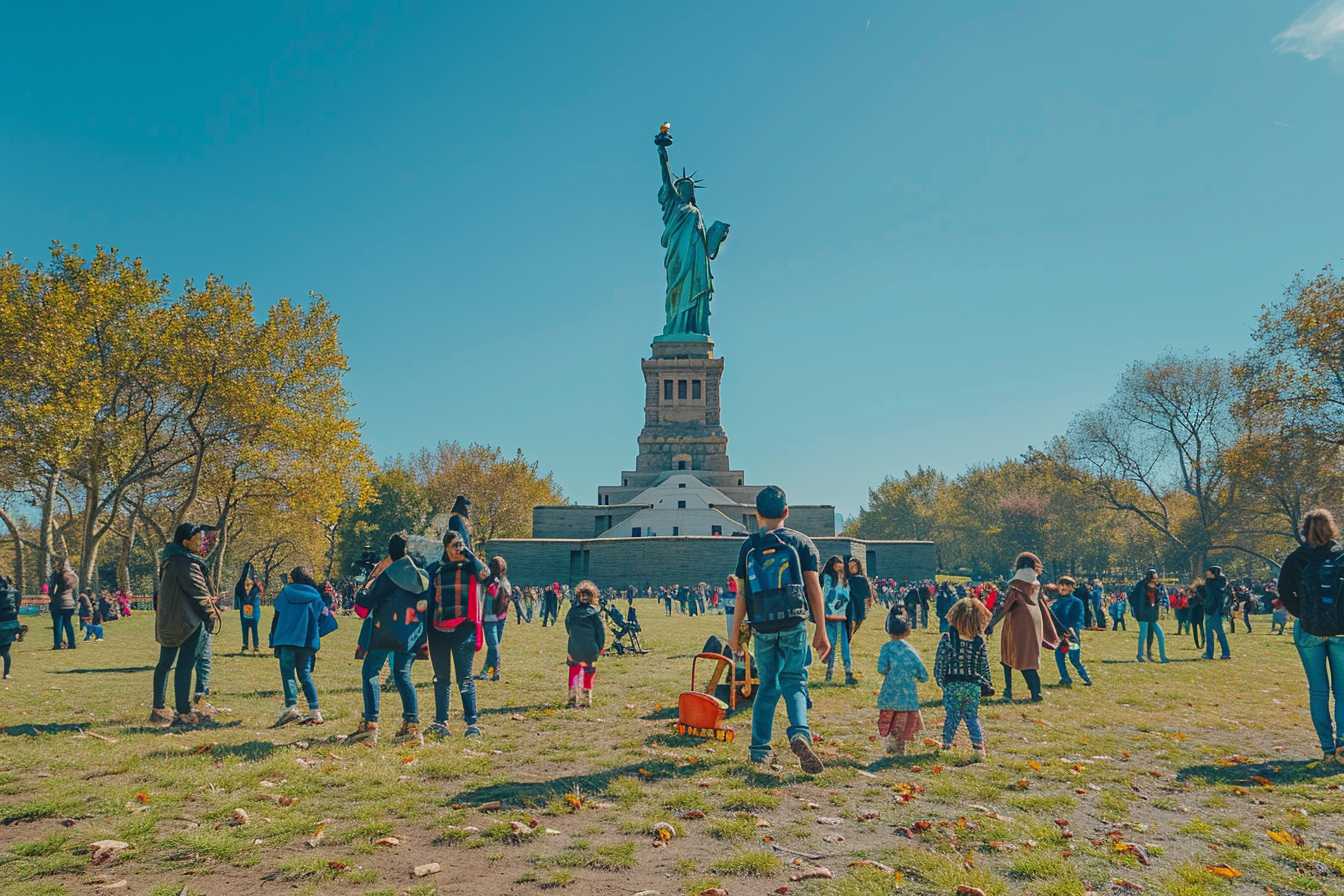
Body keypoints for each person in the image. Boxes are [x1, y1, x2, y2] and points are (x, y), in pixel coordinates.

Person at [727, 486, 830, 773]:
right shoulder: (802, 543)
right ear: (786, 512)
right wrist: (821, 628)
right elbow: (813, 587)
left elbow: (742, 595)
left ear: (756, 513)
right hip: (793, 621)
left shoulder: (749, 546)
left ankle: (760, 750)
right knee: (795, 680)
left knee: (768, 685)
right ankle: (799, 732)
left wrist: (734, 635)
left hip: (763, 625)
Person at [349, 532, 430, 746]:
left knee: (370, 672)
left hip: (385, 630)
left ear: (390, 552)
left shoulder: (388, 575)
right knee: (403, 675)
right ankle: (411, 727)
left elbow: (363, 607)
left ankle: (370, 725)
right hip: (412, 632)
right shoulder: (423, 576)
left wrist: (371, 579)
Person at [1277, 508, 1344, 763]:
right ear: (1331, 528)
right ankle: (1343, 746)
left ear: (1305, 531)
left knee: (1318, 691)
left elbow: (1284, 591)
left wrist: (1303, 613)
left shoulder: (1296, 559)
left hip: (1309, 629)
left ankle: (1327, 748)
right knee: (1343, 692)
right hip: (1341, 630)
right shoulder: (1341, 556)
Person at [150, 523, 221, 727]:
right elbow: (200, 594)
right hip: (188, 622)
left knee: (164, 664)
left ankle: (159, 708)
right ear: (185, 542)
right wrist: (212, 616)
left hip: (169, 620)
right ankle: (183, 711)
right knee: (184, 665)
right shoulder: (187, 563)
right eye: (198, 540)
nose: (201, 545)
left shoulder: (169, 560)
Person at [421, 531, 489, 737]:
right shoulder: (436, 569)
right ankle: (441, 722)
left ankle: (472, 724)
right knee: (441, 678)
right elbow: (424, 591)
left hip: (463, 630)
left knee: (465, 678)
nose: (458, 549)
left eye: (461, 545)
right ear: (445, 548)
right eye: (455, 545)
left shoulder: (471, 568)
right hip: (438, 631)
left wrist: (469, 554)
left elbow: (486, 575)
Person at [985, 552, 1059, 702]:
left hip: (1018, 622)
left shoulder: (1017, 583)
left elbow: (1006, 606)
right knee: (1029, 656)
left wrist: (991, 624)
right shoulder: (1036, 583)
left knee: (1010, 656)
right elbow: (1043, 605)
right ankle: (1035, 691)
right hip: (1035, 620)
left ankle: (1009, 690)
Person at [269, 566, 335, 727]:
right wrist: (317, 633)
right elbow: (326, 617)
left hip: (286, 639)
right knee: (305, 675)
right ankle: (315, 711)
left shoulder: (285, 593)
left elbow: (276, 615)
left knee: (288, 673)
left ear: (292, 578)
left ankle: (291, 706)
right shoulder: (315, 596)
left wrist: (273, 638)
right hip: (306, 641)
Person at [935, 597, 993, 758]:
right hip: (973, 685)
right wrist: (987, 684)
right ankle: (979, 748)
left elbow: (940, 663)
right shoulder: (979, 641)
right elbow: (984, 666)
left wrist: (941, 681)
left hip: (952, 684)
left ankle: (946, 745)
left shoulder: (947, 638)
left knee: (952, 715)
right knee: (972, 717)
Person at [875, 607, 927, 755]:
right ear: (908, 631)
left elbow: (881, 668)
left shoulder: (886, 648)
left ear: (889, 630)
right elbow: (923, 673)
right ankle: (900, 747)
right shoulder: (911, 650)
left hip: (890, 692)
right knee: (903, 722)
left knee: (890, 718)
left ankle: (892, 741)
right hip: (908, 694)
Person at [565, 579, 605, 708]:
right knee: (588, 673)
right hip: (589, 648)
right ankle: (586, 700)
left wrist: (574, 637)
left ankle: (572, 700)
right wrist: (599, 647)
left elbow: (567, 626)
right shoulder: (594, 613)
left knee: (574, 673)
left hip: (574, 648)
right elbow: (601, 632)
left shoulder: (572, 611)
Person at [1050, 576, 1091, 687]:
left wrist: (1072, 630)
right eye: (1061, 585)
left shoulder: (1076, 602)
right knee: (1059, 657)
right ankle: (1065, 678)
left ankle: (1086, 678)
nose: (1063, 587)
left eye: (1067, 585)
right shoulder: (1056, 602)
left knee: (1074, 659)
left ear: (1072, 588)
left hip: (1072, 636)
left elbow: (1079, 618)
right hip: (1060, 636)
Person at [476, 556, 511, 681]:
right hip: (496, 617)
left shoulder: (494, 581)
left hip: (494, 617)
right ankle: (489, 671)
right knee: (494, 646)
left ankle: (492, 671)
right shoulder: (499, 581)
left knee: (493, 646)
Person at [821, 556, 854, 684]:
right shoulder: (828, 578)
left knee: (845, 645)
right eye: (837, 564)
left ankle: (848, 673)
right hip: (830, 616)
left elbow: (847, 596)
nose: (840, 566)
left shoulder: (845, 580)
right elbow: (827, 595)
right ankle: (829, 672)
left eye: (841, 564)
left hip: (842, 617)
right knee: (832, 645)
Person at [1129, 569, 1169, 663]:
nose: (1156, 578)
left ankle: (1163, 657)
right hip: (1143, 614)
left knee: (1161, 635)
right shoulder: (1141, 585)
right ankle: (1140, 655)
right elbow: (1133, 598)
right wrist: (1136, 610)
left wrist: (1158, 590)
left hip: (1152, 615)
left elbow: (1158, 600)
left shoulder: (1158, 587)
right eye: (1155, 576)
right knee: (1143, 635)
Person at [1199, 566, 1232, 660]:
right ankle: (1211, 654)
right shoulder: (1210, 582)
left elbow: (1218, 599)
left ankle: (1224, 653)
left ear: (1214, 573)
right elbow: (1205, 595)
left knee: (1219, 632)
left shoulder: (1219, 584)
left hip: (1215, 611)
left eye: (1209, 571)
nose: (1207, 573)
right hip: (1209, 609)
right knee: (1210, 633)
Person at [47, 558, 78, 650]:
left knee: (58, 625)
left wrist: (52, 599)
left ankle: (58, 644)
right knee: (68, 624)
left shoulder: (57, 575)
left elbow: (51, 588)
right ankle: (72, 643)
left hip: (59, 603)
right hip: (70, 603)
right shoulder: (73, 576)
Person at [0, 575, 27, 680]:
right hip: (11, 623)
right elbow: (17, 607)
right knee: (5, 651)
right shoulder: (15, 592)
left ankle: (20, 631)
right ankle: (6, 673)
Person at [235, 563, 263, 655]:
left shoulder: (257, 585)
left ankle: (256, 646)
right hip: (244, 611)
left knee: (254, 628)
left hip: (254, 610)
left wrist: (255, 580)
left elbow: (261, 590)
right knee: (245, 628)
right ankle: (245, 645)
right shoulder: (240, 585)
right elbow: (237, 591)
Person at [847, 558, 871, 640]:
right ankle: (847, 639)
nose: (851, 568)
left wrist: (868, 605)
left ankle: (848, 638)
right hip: (850, 603)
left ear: (858, 567)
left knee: (858, 621)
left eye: (853, 566)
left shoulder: (862, 579)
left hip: (860, 603)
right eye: (850, 566)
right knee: (851, 622)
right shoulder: (847, 579)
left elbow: (867, 594)